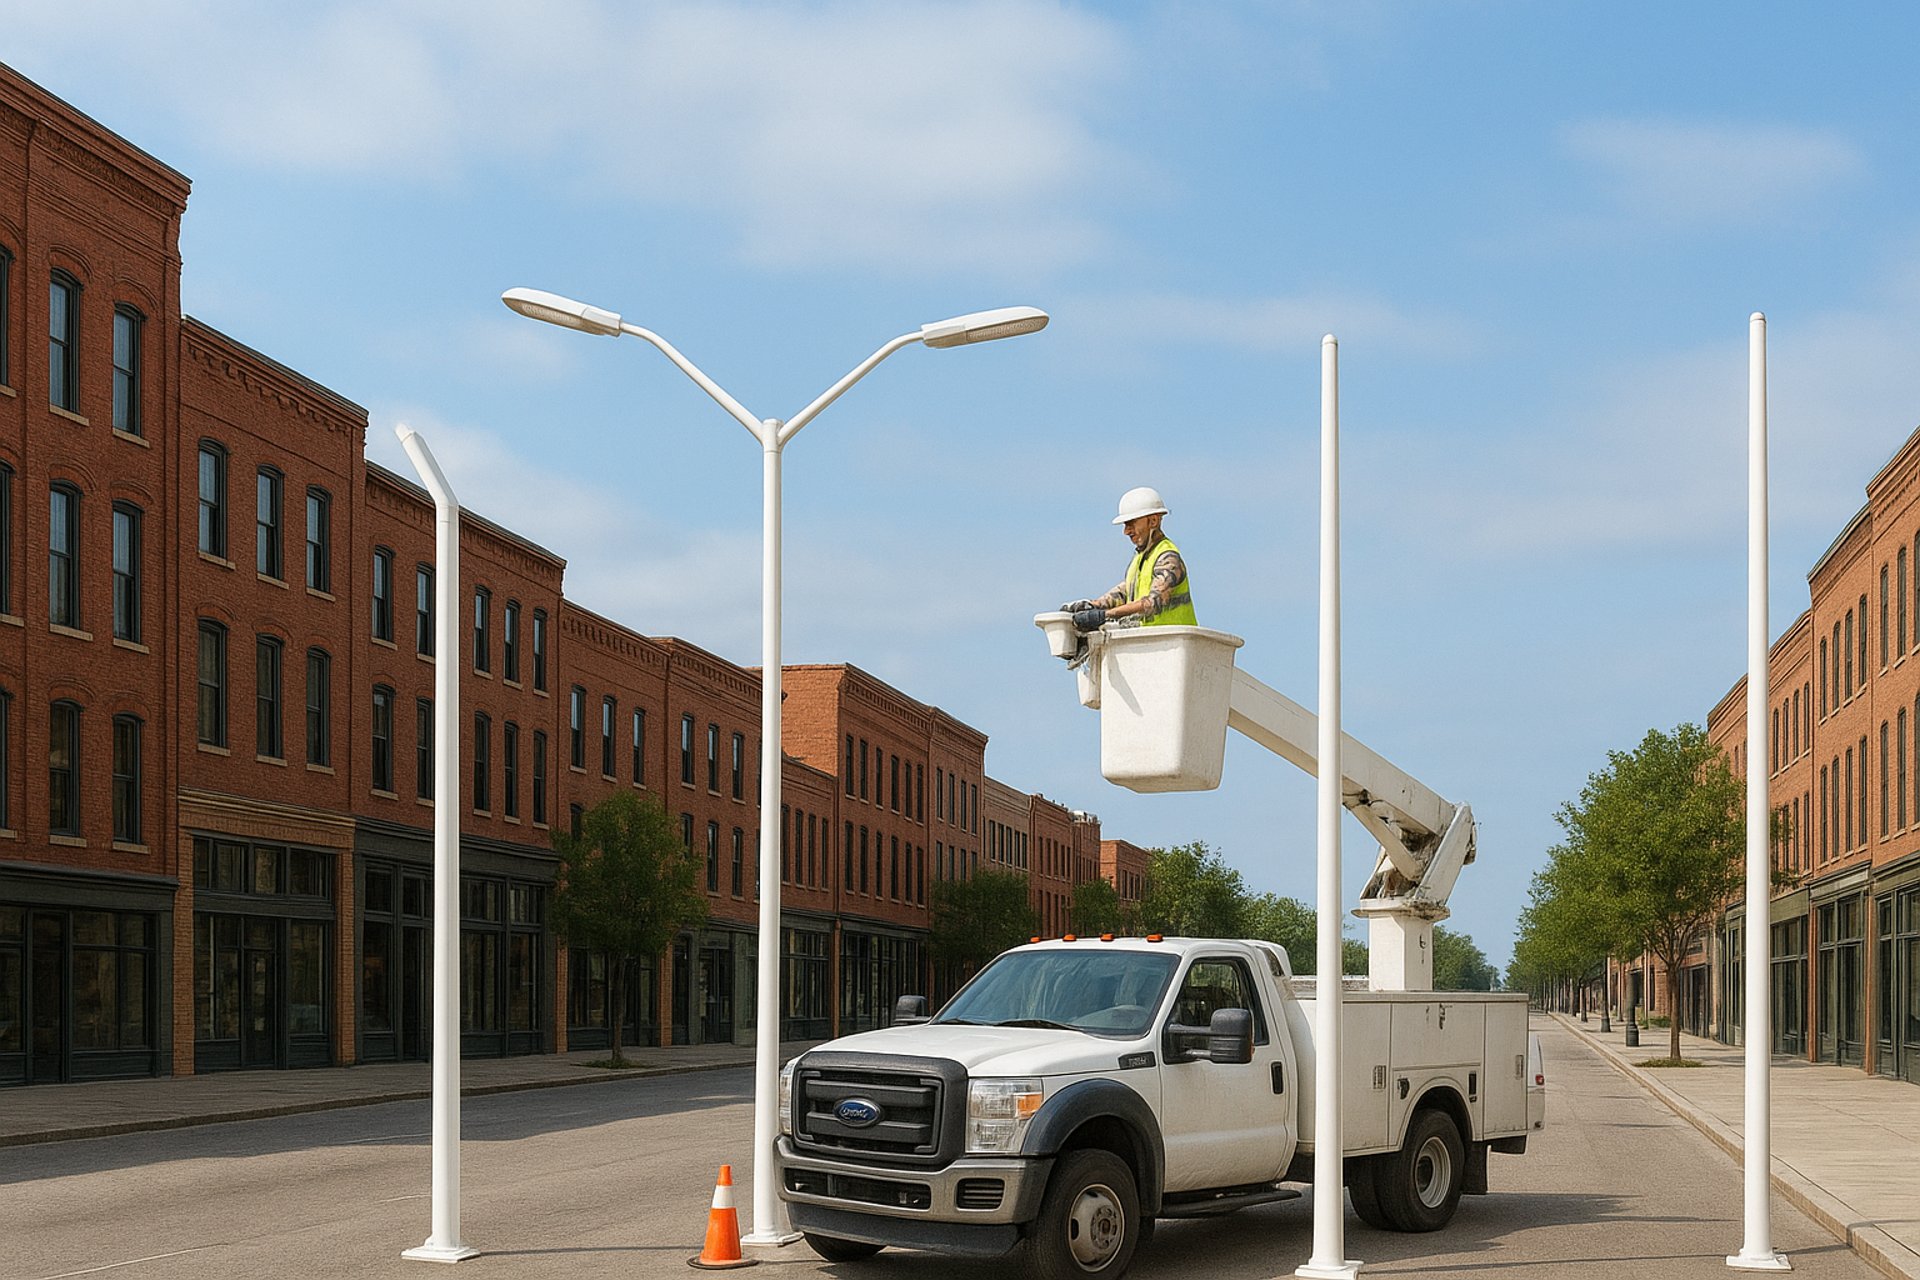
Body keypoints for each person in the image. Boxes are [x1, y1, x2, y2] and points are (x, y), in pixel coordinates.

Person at [1063, 486, 1196, 632]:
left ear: (1153, 521)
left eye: (1131, 523)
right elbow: (1126, 591)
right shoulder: (1141, 559)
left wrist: (1105, 615)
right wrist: (1093, 605)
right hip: (1148, 642)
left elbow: (1153, 602)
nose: (1126, 531)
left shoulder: (1168, 558)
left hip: (1174, 643)